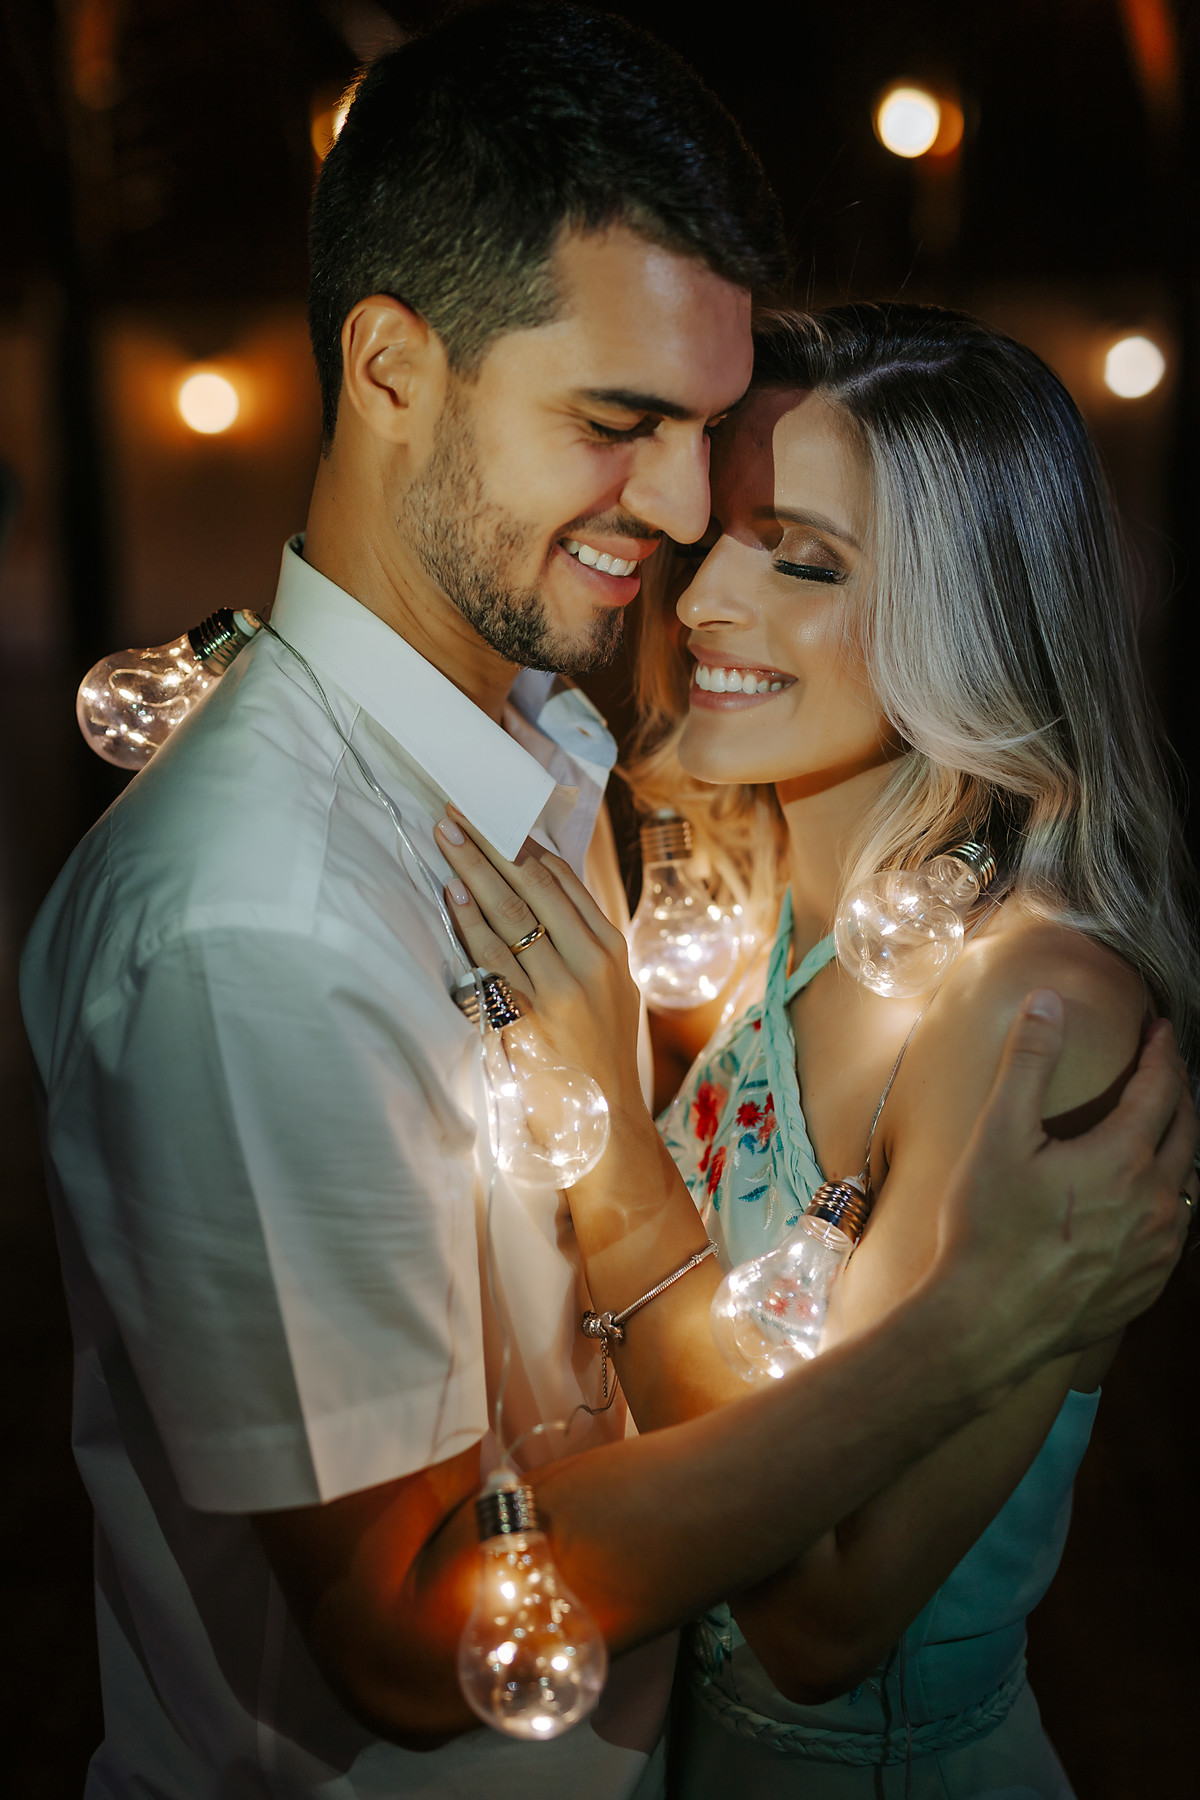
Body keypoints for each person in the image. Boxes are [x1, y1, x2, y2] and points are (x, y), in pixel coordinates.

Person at [19, 8, 1192, 1798]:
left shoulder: (560, 763)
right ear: (395, 367)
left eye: (709, 444)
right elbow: (419, 1633)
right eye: (618, 422)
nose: (673, 530)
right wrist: (973, 1324)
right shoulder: (259, 922)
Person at [437, 301, 1200, 1796]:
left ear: (968, 612)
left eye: (802, 560)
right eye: (716, 536)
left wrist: (611, 1147)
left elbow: (826, 1611)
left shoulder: (1032, 1011)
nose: (706, 597)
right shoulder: (769, 946)